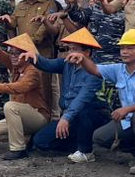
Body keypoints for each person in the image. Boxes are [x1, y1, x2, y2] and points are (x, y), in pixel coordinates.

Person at [74, 29, 135, 175]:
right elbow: (95, 70)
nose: (124, 51)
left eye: (130, 48)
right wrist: (82, 58)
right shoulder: (118, 69)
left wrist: (127, 109)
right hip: (130, 121)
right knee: (100, 137)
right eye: (122, 48)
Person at [28, 27, 107, 161]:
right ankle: (78, 145)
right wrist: (33, 57)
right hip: (70, 116)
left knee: (84, 110)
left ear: (87, 52)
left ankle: (86, 151)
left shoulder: (95, 72)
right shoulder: (66, 64)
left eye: (74, 49)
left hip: (90, 116)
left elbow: (81, 99)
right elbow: (47, 64)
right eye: (69, 49)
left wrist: (65, 118)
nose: (70, 53)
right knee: (40, 141)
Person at [0, 31, 48, 160]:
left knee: (10, 106)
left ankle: (18, 149)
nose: (12, 56)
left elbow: (20, 87)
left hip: (37, 116)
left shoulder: (33, 71)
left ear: (26, 55)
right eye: (11, 53)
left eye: (16, 53)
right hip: (18, 117)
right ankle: (26, 139)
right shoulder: (16, 67)